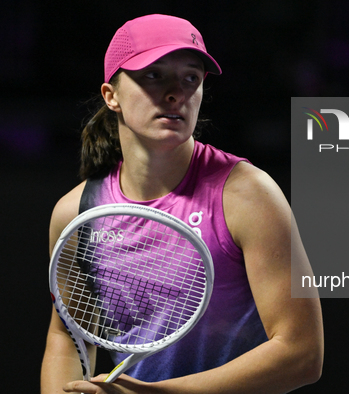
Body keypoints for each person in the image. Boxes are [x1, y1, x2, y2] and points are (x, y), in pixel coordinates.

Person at [41, 14, 323, 394]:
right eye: (154, 75)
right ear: (112, 96)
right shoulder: (77, 214)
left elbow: (301, 353)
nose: (177, 92)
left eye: (191, 77)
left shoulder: (248, 195)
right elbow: (69, 336)